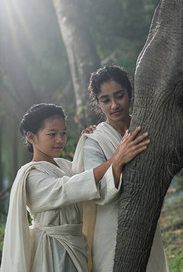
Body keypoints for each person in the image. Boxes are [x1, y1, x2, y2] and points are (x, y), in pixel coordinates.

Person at [0, 103, 149, 272]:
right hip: (51, 249)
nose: (60, 139)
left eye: (63, 133)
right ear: (32, 137)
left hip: (76, 244)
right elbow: (69, 188)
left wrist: (85, 143)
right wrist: (115, 159)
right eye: (52, 134)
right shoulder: (31, 175)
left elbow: (87, 177)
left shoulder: (63, 165)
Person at [72, 66, 169, 272]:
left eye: (119, 96)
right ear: (98, 103)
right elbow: (96, 189)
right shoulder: (94, 141)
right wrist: (118, 159)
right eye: (105, 100)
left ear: (130, 93)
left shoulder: (146, 128)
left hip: (145, 220)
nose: (114, 105)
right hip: (111, 230)